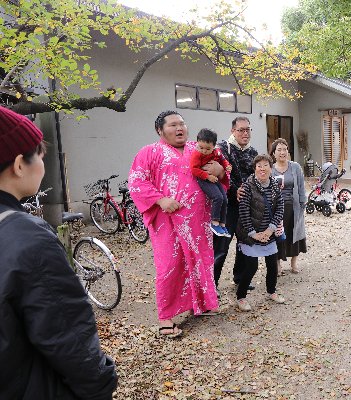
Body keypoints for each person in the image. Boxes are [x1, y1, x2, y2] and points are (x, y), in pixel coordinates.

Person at [0, 107, 117, 399]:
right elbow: (67, 336)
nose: (42, 162)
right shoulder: (27, 239)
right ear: (18, 165)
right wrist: (101, 386)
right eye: (40, 155)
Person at [129, 110, 219, 338]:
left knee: (200, 262)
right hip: (167, 220)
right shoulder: (149, 152)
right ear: (160, 130)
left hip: (198, 221)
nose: (179, 128)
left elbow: (222, 168)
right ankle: (165, 318)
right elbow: (137, 182)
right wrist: (160, 199)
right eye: (173, 125)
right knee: (169, 265)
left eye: (182, 124)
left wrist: (220, 170)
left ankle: (199, 305)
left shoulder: (197, 148)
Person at [235, 154, 285, 311]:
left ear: (271, 168)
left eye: (265, 165)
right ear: (254, 168)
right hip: (251, 235)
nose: (262, 169)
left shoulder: (275, 185)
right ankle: (241, 297)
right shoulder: (247, 186)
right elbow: (243, 212)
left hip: (268, 234)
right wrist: (253, 233)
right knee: (251, 267)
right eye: (259, 166)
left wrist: (270, 230)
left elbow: (280, 208)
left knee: (272, 265)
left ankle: (271, 291)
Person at [213, 116, 258, 290]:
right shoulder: (222, 149)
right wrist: (234, 190)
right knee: (221, 246)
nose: (245, 133)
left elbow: (256, 175)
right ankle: (212, 285)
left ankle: (240, 277)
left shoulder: (252, 152)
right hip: (227, 207)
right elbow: (219, 174)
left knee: (244, 244)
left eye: (248, 129)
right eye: (241, 130)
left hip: (246, 206)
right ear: (233, 131)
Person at [270, 138, 307, 275]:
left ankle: (294, 263)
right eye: (279, 149)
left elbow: (301, 186)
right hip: (276, 209)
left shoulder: (295, 167)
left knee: (294, 234)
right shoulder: (271, 169)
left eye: (284, 149)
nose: (282, 152)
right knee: (277, 235)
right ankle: (278, 264)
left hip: (294, 206)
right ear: (274, 153)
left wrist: (303, 202)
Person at [190, 128, 232, 237]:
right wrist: (207, 176)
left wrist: (227, 165)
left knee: (225, 198)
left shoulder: (217, 151)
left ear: (214, 146)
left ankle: (222, 224)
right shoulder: (197, 154)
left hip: (214, 178)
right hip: (203, 178)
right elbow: (194, 169)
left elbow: (222, 159)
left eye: (207, 149)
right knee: (217, 197)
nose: (203, 151)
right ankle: (214, 222)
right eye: (201, 147)